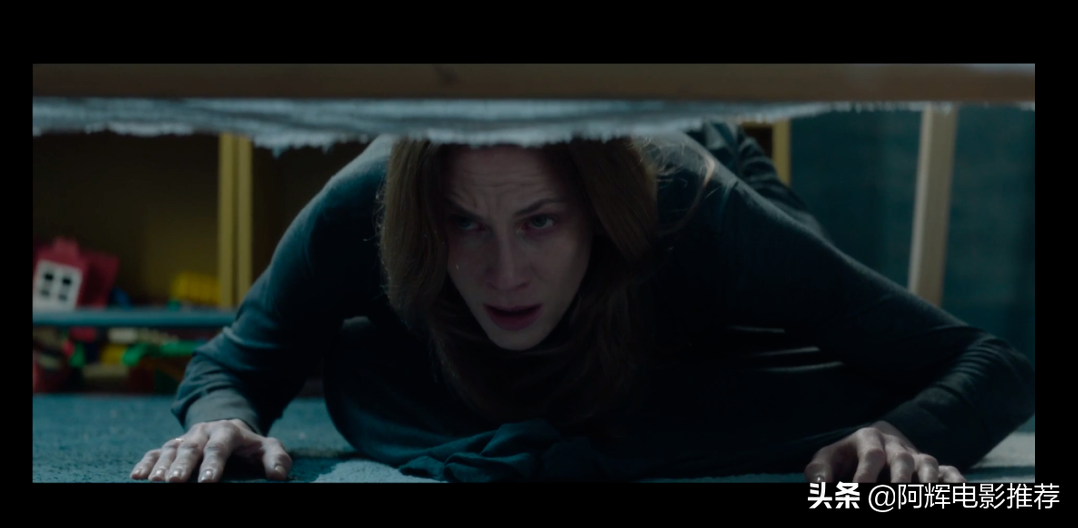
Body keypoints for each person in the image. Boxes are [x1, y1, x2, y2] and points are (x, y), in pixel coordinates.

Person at [130, 122, 1035, 483]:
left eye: (540, 221)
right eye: (464, 224)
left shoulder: (698, 211)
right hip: (460, 362)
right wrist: (220, 421)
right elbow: (234, 363)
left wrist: (903, 435)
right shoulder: (363, 208)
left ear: (595, 215)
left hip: (699, 227)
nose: (504, 272)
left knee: (834, 412)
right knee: (368, 370)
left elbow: (989, 362)